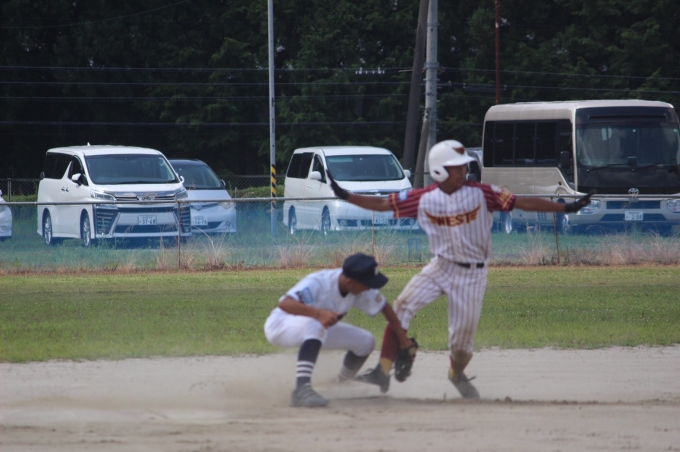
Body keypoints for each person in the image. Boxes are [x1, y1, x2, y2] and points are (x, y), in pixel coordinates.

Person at [326, 140, 593, 399]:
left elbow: (522, 203)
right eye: (457, 166)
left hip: (472, 275)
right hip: (440, 266)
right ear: (440, 170)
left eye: (464, 165)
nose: (463, 170)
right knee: (401, 307)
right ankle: (382, 372)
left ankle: (456, 374)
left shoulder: (482, 193)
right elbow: (383, 204)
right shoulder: (423, 198)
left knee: (461, 347)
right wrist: (345, 195)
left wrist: (567, 206)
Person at [264, 253, 414, 408]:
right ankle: (301, 390)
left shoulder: (358, 286)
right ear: (350, 282)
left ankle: (343, 383)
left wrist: (404, 341)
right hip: (281, 325)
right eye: (367, 283)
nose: (370, 287)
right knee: (317, 324)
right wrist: (318, 314)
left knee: (366, 341)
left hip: (316, 329)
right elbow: (285, 304)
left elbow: (386, 309)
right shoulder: (318, 283)